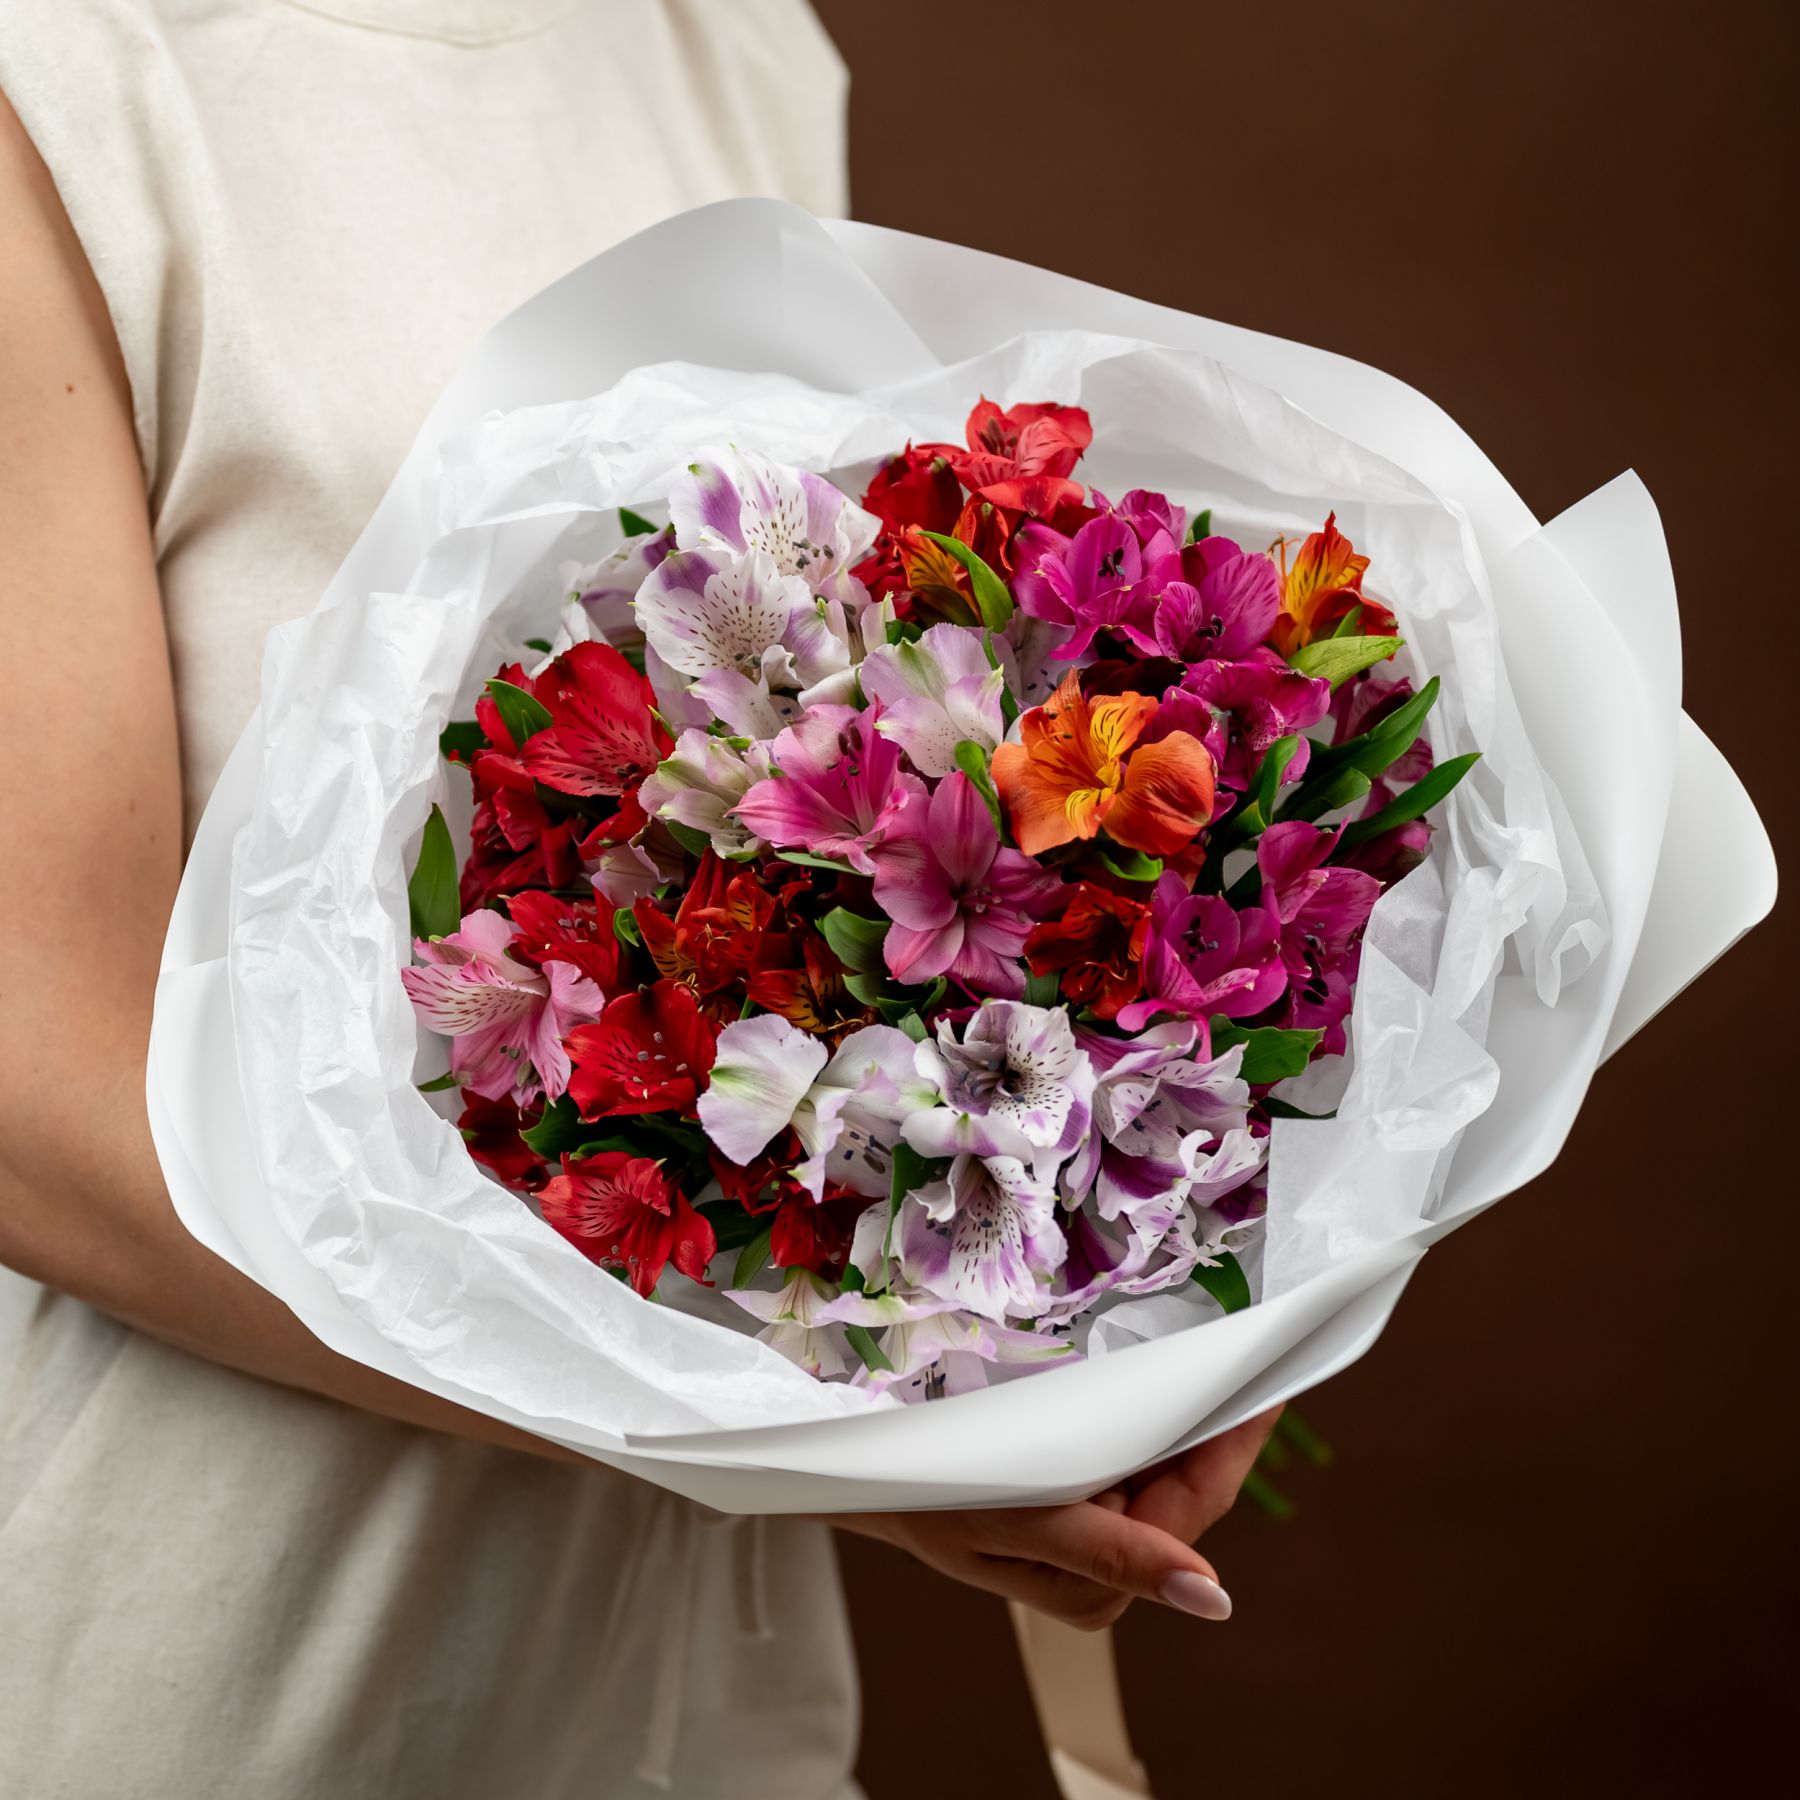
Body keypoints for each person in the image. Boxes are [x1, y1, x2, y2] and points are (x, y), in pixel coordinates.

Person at [0, 4, 1275, 1794]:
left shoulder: (722, 38)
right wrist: (785, 1438)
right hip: (217, 1634)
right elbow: (32, 1096)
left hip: (693, 1667)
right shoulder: (74, 76)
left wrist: (1129, 1288)